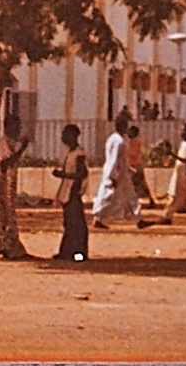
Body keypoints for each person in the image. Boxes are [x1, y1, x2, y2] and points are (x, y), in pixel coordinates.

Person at [0, 113, 29, 259]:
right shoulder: (3, 143)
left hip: (9, 184)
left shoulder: (11, 142)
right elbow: (3, 164)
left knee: (8, 215)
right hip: (0, 184)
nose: (18, 129)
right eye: (15, 125)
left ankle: (8, 245)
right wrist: (21, 150)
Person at [93, 112, 147, 229]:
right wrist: (114, 176)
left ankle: (139, 219)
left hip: (119, 171)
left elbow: (120, 159)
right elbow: (114, 159)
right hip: (118, 173)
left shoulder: (113, 138)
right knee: (109, 197)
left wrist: (129, 169)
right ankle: (98, 215)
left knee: (131, 195)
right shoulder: (119, 141)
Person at [51, 124, 89, 261]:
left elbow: (82, 173)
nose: (62, 137)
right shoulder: (70, 152)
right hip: (67, 192)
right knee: (69, 223)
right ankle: (67, 252)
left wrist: (63, 175)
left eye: (65, 134)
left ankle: (79, 253)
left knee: (76, 224)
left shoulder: (79, 154)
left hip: (73, 192)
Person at [125, 124, 154, 207]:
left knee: (135, 184)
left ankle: (133, 202)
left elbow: (133, 153)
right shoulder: (134, 142)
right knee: (140, 184)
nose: (128, 133)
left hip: (135, 166)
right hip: (135, 165)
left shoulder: (134, 142)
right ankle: (150, 199)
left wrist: (125, 152)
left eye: (130, 131)